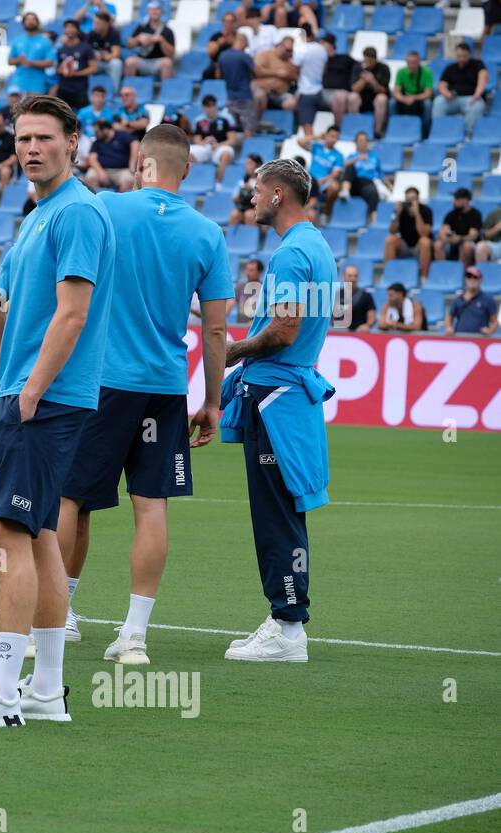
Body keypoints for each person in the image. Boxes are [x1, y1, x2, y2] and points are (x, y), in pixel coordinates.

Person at [0, 95, 115, 726]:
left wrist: (32, 388)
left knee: (7, 533)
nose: (31, 148)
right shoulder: (38, 216)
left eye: (44, 137)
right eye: (23, 139)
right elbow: (2, 302)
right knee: (37, 533)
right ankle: (44, 690)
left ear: (74, 142)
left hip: (46, 400)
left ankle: (3, 690)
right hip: (22, 393)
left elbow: (74, 312)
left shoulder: (78, 215)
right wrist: (2, 362)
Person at [48, 122, 232, 667]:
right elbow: (217, 331)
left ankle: (55, 617)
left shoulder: (105, 208)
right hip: (165, 387)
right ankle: (133, 635)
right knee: (151, 507)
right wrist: (213, 401)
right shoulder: (207, 233)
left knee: (68, 500)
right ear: (188, 170)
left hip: (101, 381)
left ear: (140, 159)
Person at [220, 157, 337, 663]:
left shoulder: (292, 255)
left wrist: (231, 351)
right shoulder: (317, 246)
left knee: (275, 516)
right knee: (282, 513)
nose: (250, 198)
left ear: (277, 195)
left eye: (256, 189)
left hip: (275, 398)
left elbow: (284, 331)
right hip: (287, 395)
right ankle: (284, 618)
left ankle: (288, 627)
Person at [433, 42, 489, 138]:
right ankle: (440, 133)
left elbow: (483, 77)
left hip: (471, 98)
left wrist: (477, 95)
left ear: (469, 54)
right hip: (453, 99)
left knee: (476, 106)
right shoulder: (450, 68)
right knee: (438, 102)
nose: (461, 58)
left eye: (464, 56)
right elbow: (442, 85)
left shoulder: (477, 64)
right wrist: (446, 94)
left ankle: (468, 136)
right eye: (459, 56)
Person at [382, 185, 433, 282]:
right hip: (404, 244)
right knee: (390, 239)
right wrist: (397, 214)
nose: (410, 202)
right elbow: (392, 231)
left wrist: (417, 214)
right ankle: (387, 275)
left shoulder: (426, 211)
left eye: (413, 199)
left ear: (418, 199)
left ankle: (424, 278)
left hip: (419, 246)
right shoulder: (400, 211)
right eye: (408, 200)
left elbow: (424, 233)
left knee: (425, 242)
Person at [337, 130, 388, 221]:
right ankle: (345, 191)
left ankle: (374, 221)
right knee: (350, 167)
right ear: (356, 143)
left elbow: (381, 174)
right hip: (355, 183)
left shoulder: (374, 157)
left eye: (365, 140)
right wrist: (357, 159)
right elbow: (343, 166)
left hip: (369, 183)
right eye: (360, 140)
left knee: (372, 191)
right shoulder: (352, 156)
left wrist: (389, 186)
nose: (363, 143)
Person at [290, 24, 327, 137]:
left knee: (307, 129)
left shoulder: (302, 50)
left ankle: (313, 147)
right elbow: (325, 70)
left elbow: (293, 69)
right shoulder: (322, 49)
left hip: (306, 92)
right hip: (319, 91)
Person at [191, 94, 238, 182]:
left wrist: (218, 145)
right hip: (205, 147)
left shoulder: (226, 118)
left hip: (220, 147)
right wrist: (205, 142)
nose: (212, 108)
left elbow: (232, 140)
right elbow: (196, 139)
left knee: (226, 154)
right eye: (208, 106)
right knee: (187, 153)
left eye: (213, 105)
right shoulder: (198, 120)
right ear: (204, 108)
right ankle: (200, 179)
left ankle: (218, 182)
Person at [124, 1, 174, 80]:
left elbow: (171, 54)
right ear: (148, 11)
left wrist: (161, 41)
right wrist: (138, 38)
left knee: (167, 63)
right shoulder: (141, 28)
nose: (154, 11)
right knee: (130, 62)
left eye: (157, 9)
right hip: (142, 60)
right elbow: (129, 45)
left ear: (162, 12)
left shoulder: (167, 31)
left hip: (158, 62)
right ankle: (129, 88)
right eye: (152, 9)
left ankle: (165, 90)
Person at [315, 32, 354, 133]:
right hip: (320, 91)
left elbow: (360, 70)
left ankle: (337, 130)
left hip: (340, 92)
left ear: (331, 45)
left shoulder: (345, 59)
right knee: (301, 95)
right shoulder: (317, 60)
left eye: (323, 43)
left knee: (339, 97)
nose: (320, 46)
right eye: (319, 43)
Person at [348, 45, 390, 138]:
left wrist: (373, 81)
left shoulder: (383, 68)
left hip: (375, 100)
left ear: (375, 59)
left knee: (381, 99)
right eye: (366, 59)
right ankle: (354, 128)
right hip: (361, 99)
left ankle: (377, 131)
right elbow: (354, 89)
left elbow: (383, 90)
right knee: (352, 97)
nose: (368, 62)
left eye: (370, 60)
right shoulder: (358, 68)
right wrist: (363, 79)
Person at [219, 32, 257, 133]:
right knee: (248, 127)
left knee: (231, 129)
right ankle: (249, 147)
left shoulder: (223, 55)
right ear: (242, 42)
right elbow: (256, 72)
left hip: (230, 96)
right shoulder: (244, 56)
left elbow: (218, 74)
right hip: (244, 96)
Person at [302, 125, 343, 220]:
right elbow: (300, 141)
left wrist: (322, 180)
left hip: (324, 182)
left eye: (337, 137)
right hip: (309, 179)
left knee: (335, 187)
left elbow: (335, 174)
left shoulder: (338, 155)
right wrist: (316, 137)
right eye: (332, 136)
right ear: (326, 135)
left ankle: (325, 213)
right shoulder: (317, 147)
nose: (334, 139)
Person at [8, 12, 55, 95]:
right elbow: (10, 61)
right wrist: (19, 60)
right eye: (27, 19)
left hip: (37, 84)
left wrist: (31, 63)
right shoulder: (17, 40)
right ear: (23, 23)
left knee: (35, 107)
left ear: (37, 22)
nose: (30, 21)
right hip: (19, 83)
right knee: (18, 107)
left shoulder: (45, 41)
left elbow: (50, 62)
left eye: (33, 19)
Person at [84, 118, 136, 192]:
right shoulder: (97, 141)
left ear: (105, 129)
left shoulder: (121, 135)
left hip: (122, 170)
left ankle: (119, 202)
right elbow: (92, 159)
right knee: (90, 178)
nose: (95, 134)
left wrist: (132, 163)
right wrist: (100, 172)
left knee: (129, 181)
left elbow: (135, 143)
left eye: (97, 131)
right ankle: (95, 202)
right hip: (102, 169)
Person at [54, 17, 96, 108]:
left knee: (80, 118)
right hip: (63, 89)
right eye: (67, 27)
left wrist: (76, 73)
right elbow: (56, 68)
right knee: (63, 117)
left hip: (80, 88)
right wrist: (62, 70)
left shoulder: (86, 48)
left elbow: (93, 68)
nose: (69, 29)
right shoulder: (61, 49)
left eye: (72, 27)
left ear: (77, 30)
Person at [392, 50, 434, 139]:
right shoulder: (401, 72)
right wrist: (403, 98)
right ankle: (394, 129)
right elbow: (396, 92)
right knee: (391, 103)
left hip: (420, 99)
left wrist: (413, 97)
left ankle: (425, 132)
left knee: (428, 104)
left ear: (419, 62)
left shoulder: (427, 72)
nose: (411, 65)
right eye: (409, 62)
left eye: (414, 63)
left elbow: (428, 93)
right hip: (405, 99)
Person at [436, 188, 482, 268]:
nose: (453, 201)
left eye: (457, 199)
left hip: (469, 243)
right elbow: (443, 231)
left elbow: (473, 235)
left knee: (466, 246)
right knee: (438, 244)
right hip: (452, 241)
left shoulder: (475, 214)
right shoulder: (451, 214)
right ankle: (443, 272)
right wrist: (447, 238)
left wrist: (459, 238)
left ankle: (461, 274)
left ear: (466, 200)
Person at [253, 35, 297, 117]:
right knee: (259, 96)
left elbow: (295, 76)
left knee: (293, 103)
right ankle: (255, 125)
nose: (289, 53)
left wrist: (288, 72)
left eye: (291, 51)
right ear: (280, 45)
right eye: (287, 50)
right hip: (263, 89)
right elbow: (257, 71)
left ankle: (287, 127)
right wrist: (276, 73)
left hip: (280, 93)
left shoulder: (290, 61)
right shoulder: (265, 55)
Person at [446, 267, 499, 335]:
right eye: (469, 276)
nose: (472, 279)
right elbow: (449, 317)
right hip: (460, 340)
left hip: (479, 341)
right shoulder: (458, 299)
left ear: (480, 280)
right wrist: (449, 327)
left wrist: (490, 330)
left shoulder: (488, 300)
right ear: (465, 279)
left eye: (475, 277)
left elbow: (495, 322)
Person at [86, 10, 123, 90]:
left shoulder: (114, 33)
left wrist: (102, 56)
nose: (95, 25)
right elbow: (86, 53)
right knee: (85, 62)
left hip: (108, 63)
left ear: (106, 24)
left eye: (98, 23)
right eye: (94, 23)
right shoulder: (91, 34)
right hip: (96, 63)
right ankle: (86, 91)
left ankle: (114, 91)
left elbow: (116, 54)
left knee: (117, 63)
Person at [333, 263, 375, 332]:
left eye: (355, 276)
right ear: (344, 276)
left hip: (359, 333)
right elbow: (333, 317)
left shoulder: (366, 295)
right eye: (350, 276)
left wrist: (367, 325)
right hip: (340, 332)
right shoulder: (337, 295)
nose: (353, 279)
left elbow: (372, 316)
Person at [229, 152, 262, 226]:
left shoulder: (263, 181)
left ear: (258, 165)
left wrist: (251, 190)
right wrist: (241, 192)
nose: (247, 166)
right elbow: (234, 198)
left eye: (250, 163)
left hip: (256, 208)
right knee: (234, 214)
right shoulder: (242, 182)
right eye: (246, 163)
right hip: (243, 207)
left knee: (249, 215)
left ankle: (252, 237)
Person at [204, 11, 239, 80]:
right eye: (226, 21)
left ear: (235, 23)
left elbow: (241, 52)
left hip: (234, 65)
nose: (228, 24)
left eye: (231, 22)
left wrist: (233, 42)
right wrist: (218, 44)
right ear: (223, 22)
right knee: (207, 73)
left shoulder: (238, 36)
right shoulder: (216, 36)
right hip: (217, 64)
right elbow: (210, 53)